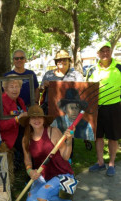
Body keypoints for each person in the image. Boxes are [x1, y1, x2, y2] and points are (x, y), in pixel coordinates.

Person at [20, 105, 74, 201]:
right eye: (33, 118)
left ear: (44, 119)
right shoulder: (26, 139)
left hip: (62, 174)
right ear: (28, 120)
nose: (36, 120)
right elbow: (27, 159)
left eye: (39, 117)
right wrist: (30, 171)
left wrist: (69, 141)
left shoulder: (53, 132)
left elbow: (65, 156)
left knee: (42, 197)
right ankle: (50, 194)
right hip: (43, 176)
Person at [87, 41, 121, 177]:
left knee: (113, 137)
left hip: (114, 107)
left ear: (111, 51)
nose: (105, 53)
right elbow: (87, 88)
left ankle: (111, 163)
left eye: (107, 50)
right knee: (98, 136)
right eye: (102, 51)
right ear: (98, 54)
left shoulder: (119, 67)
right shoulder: (92, 69)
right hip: (97, 108)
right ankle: (100, 162)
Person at [0, 77, 27, 183]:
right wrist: (17, 119)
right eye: (11, 87)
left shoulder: (20, 101)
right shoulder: (0, 102)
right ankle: (32, 174)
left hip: (21, 130)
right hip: (9, 135)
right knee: (28, 145)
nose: (15, 89)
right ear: (5, 89)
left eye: (17, 86)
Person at [40, 50, 84, 114]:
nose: (62, 62)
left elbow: (82, 90)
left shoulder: (76, 75)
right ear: (56, 62)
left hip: (70, 111)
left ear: (69, 61)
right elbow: (41, 90)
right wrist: (43, 86)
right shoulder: (48, 74)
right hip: (50, 109)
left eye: (65, 60)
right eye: (59, 60)